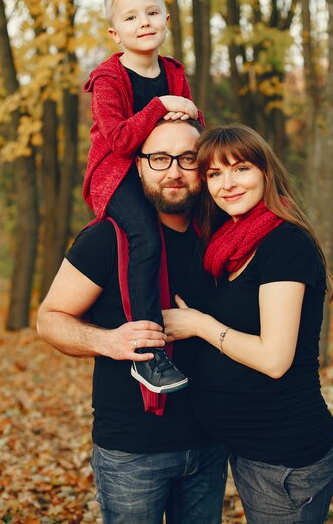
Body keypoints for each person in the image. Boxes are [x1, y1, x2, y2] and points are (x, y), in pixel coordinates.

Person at [37, 119, 228, 524]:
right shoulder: (107, 239)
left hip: (211, 440)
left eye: (188, 159)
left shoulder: (219, 235)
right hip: (133, 452)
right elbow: (49, 319)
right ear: (138, 166)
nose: (174, 172)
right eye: (160, 159)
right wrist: (110, 342)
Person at [163, 123, 333, 524]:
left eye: (240, 168)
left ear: (265, 171)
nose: (227, 184)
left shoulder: (284, 244)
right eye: (213, 173)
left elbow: (274, 358)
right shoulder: (226, 242)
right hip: (250, 452)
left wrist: (198, 323)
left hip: (286, 460)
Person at [83, 0, 205, 394]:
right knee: (145, 237)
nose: (144, 22)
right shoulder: (108, 79)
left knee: (205, 219)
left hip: (160, 170)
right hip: (114, 175)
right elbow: (116, 140)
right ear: (115, 32)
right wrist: (160, 107)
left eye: (152, 13)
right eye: (131, 17)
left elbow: (192, 124)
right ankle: (150, 354)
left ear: (166, 20)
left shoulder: (173, 72)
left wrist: (180, 115)